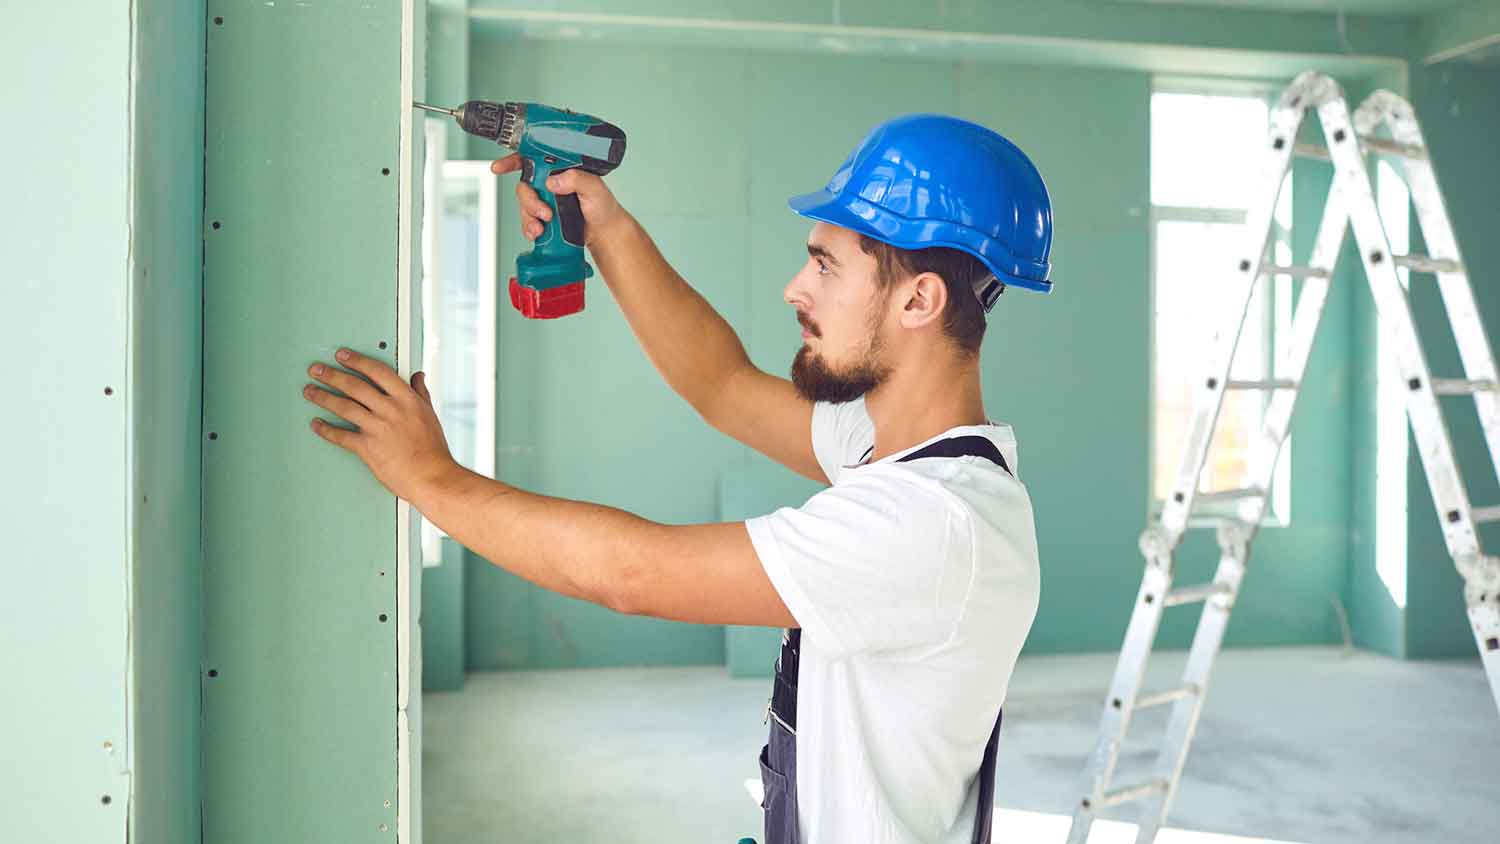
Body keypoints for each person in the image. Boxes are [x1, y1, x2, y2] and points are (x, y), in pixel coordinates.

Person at [300, 113, 1052, 844]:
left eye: (826, 265)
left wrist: (429, 478)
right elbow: (721, 385)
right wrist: (605, 229)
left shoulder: (930, 524)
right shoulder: (897, 451)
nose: (796, 288)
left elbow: (631, 573)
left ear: (920, 299)